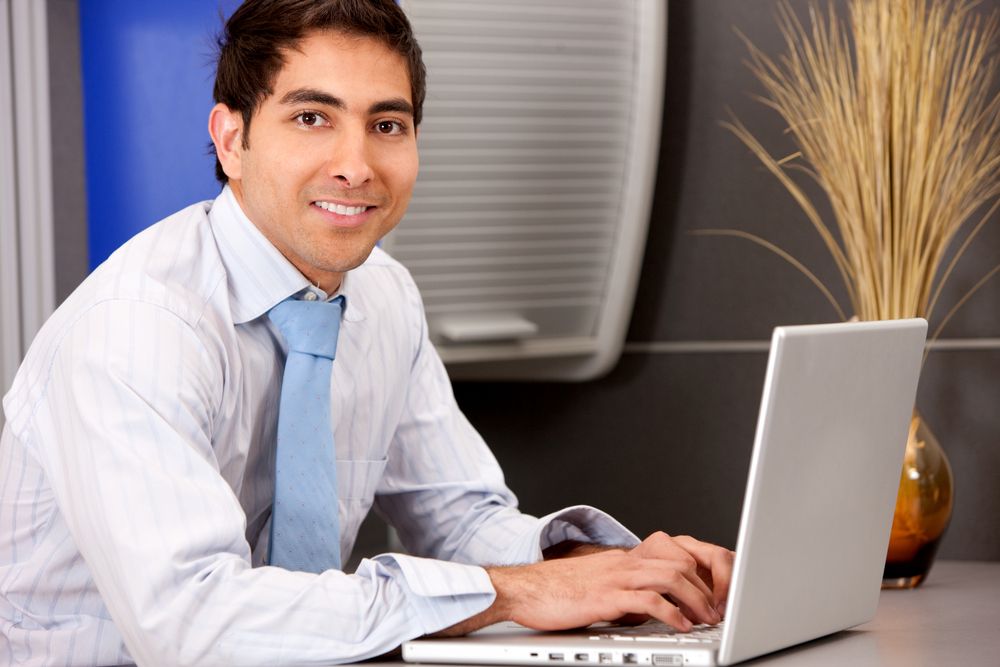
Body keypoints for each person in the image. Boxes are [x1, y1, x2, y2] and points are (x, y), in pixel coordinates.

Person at [0, 1, 734, 665]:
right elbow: (193, 624)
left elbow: (457, 515)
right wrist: (513, 593)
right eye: (312, 117)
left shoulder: (383, 294)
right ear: (232, 138)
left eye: (387, 125)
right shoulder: (140, 324)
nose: (356, 165)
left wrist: (605, 570)